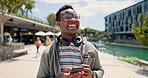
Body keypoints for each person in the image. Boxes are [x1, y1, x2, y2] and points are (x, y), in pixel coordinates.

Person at [37, 5, 104, 78]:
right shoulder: (48, 52)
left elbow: (100, 70)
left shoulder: (90, 48)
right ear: (59, 23)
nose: (73, 20)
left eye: (76, 17)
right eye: (67, 17)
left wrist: (92, 75)